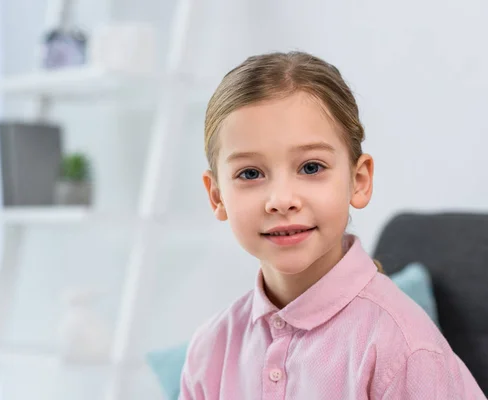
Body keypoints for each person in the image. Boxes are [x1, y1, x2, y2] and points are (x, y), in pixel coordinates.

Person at [179, 52, 485, 399]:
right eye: (250, 173)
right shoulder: (210, 350)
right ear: (217, 196)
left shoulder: (403, 348)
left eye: (311, 167)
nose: (281, 199)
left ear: (358, 180)